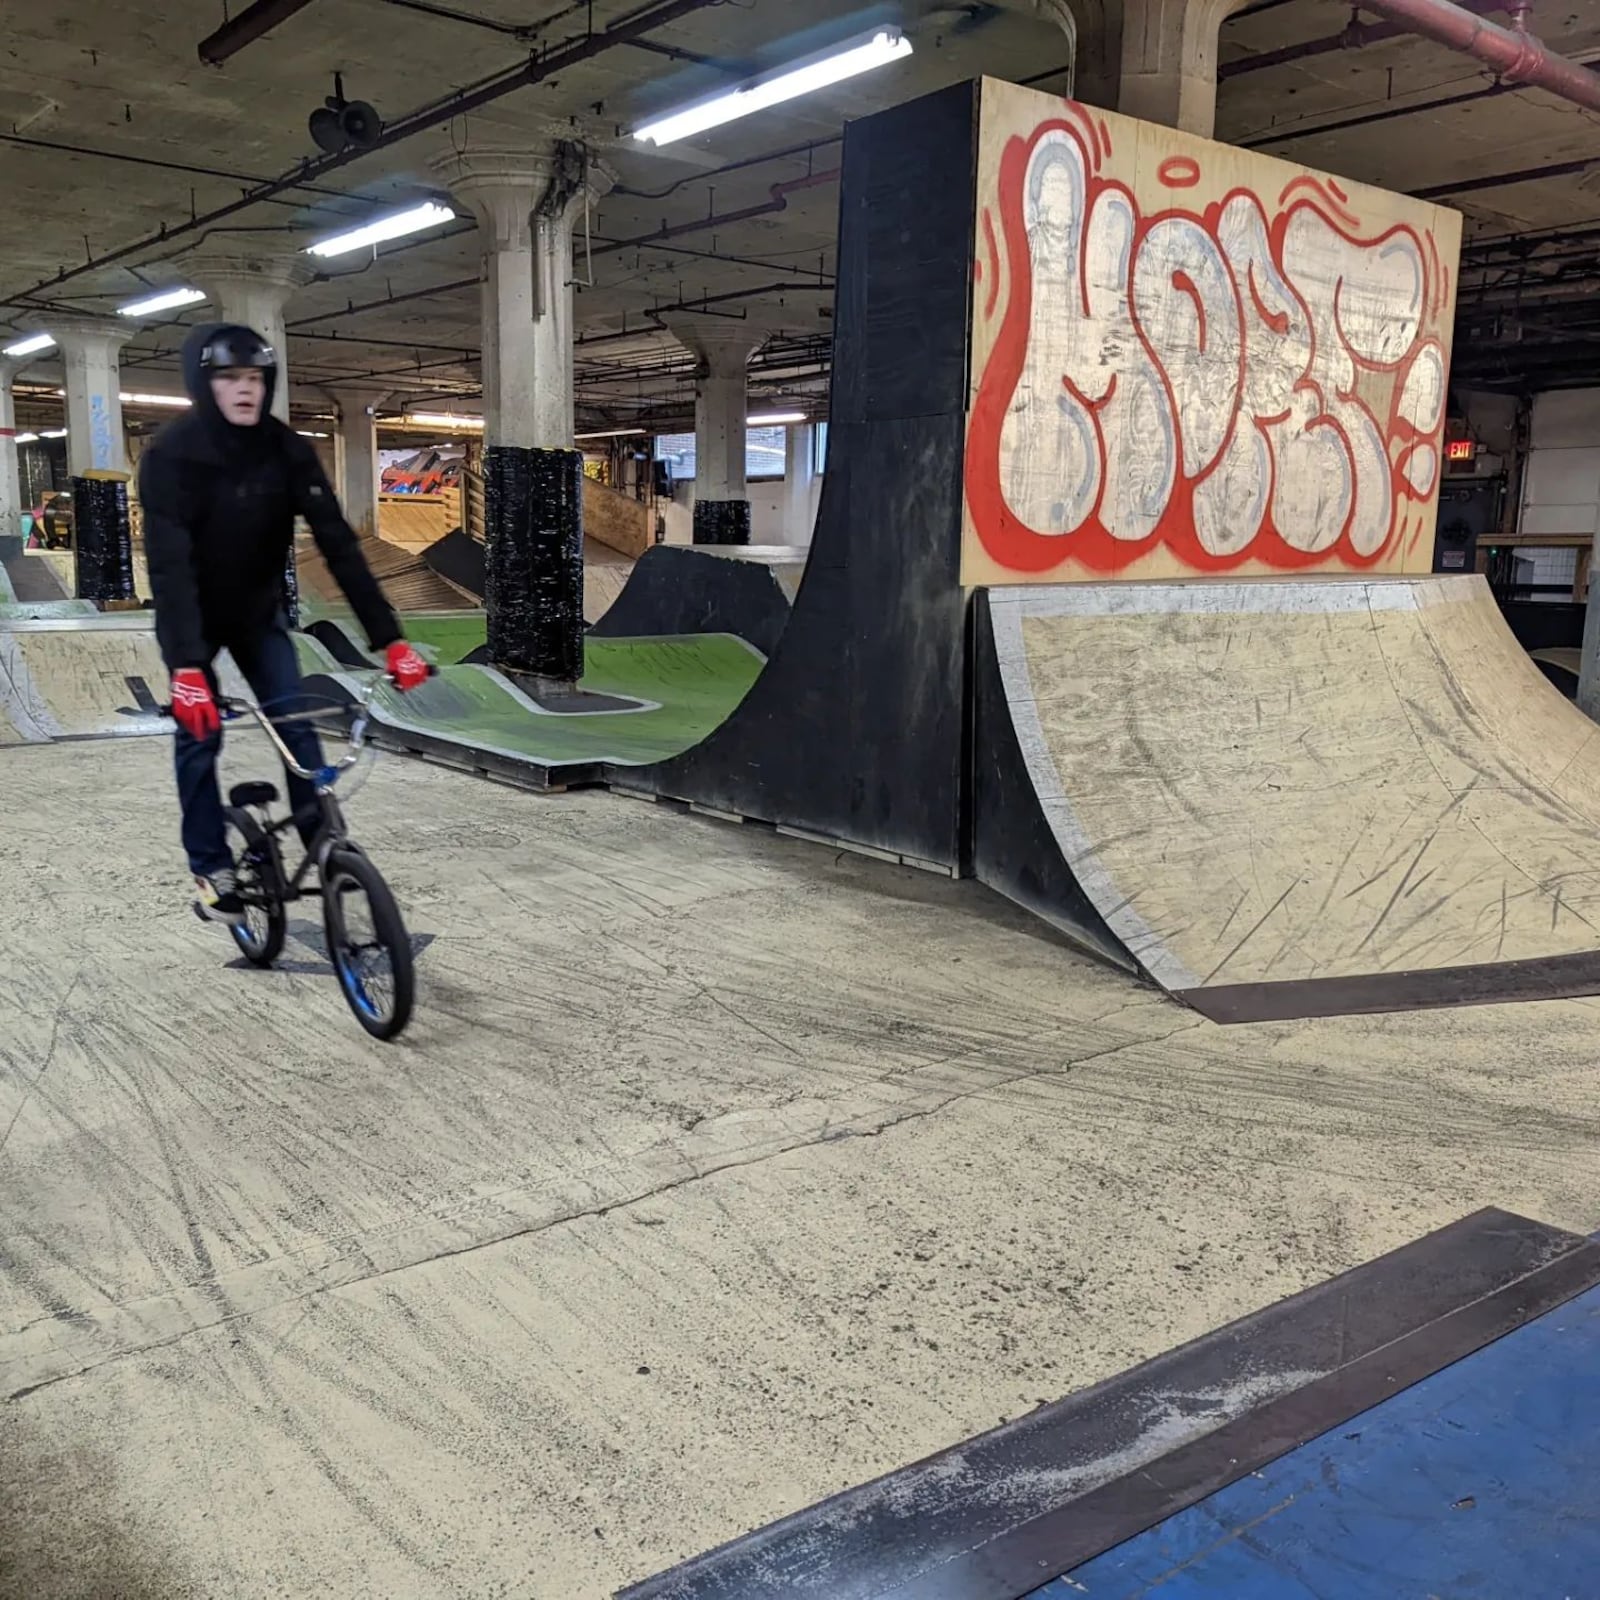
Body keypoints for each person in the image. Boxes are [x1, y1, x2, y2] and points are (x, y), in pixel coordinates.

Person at [140, 322, 429, 925]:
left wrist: (392, 639)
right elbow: (169, 568)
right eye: (229, 379)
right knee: (200, 736)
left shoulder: (288, 450)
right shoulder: (171, 455)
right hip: (193, 617)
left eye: (254, 379)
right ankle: (209, 864)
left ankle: (321, 842)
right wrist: (187, 667)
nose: (244, 390)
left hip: (256, 614)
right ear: (205, 384)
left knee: (297, 726)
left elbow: (339, 546)